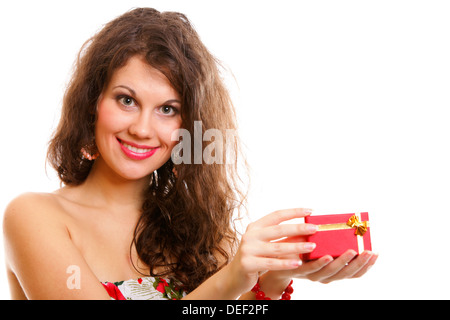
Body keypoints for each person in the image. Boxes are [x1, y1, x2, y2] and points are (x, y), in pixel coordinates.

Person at [2, 7, 377, 300]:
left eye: (168, 109)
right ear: (92, 103)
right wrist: (231, 279)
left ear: (188, 128)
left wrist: (274, 278)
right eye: (127, 100)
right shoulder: (34, 217)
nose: (143, 129)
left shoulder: (202, 234)